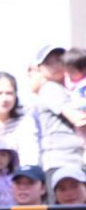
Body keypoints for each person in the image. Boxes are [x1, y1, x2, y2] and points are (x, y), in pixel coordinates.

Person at [30, 45, 84, 173]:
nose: (56, 66)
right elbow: (78, 118)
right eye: (48, 63)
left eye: (59, 60)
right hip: (61, 161)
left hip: (73, 159)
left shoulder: (72, 88)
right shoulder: (50, 88)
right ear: (39, 69)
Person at [66, 48, 86, 141]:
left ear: (83, 70)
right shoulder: (68, 81)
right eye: (67, 70)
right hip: (77, 118)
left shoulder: (83, 84)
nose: (69, 74)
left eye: (72, 71)